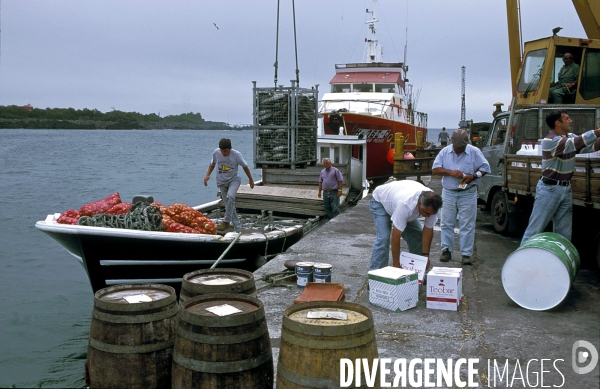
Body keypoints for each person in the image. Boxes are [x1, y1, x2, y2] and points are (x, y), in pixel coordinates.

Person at [521, 111, 600, 243]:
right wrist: (598, 131)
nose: (571, 121)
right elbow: (576, 142)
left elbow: (589, 147)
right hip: (549, 189)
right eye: (567, 119)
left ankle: (559, 261)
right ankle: (520, 261)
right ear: (558, 123)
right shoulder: (551, 140)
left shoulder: (569, 137)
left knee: (564, 234)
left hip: (565, 189)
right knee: (535, 230)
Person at [432, 129, 491, 265]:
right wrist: (451, 172)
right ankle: (446, 250)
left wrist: (474, 176)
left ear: (466, 144)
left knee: (467, 224)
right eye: (456, 148)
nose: (458, 151)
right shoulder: (445, 152)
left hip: (468, 192)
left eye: (461, 148)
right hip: (449, 191)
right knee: (446, 223)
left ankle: (466, 254)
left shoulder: (474, 152)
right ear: (451, 142)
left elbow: (485, 168)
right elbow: (435, 169)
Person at [369, 180, 443, 271]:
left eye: (430, 214)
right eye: (426, 213)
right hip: (381, 201)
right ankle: (376, 276)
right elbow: (396, 236)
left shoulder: (433, 205)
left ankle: (417, 272)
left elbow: (427, 231)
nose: (428, 216)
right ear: (420, 204)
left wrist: (425, 256)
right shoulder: (406, 205)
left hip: (398, 200)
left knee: (417, 236)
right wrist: (396, 264)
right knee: (383, 239)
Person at [203, 138, 255, 231]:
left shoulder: (236, 155)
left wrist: (251, 180)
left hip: (234, 180)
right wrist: (207, 175)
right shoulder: (216, 152)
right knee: (228, 205)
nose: (224, 153)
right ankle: (238, 226)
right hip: (221, 182)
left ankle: (226, 221)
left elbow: (245, 167)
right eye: (222, 151)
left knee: (230, 197)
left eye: (226, 151)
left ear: (230, 148)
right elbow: (212, 164)